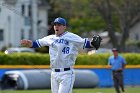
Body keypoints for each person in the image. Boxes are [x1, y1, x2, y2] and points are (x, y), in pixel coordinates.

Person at [20, 17, 102, 93]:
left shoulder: (71, 37)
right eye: (55, 25)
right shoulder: (49, 38)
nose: (56, 26)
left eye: (59, 25)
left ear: (64, 27)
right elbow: (35, 44)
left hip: (66, 73)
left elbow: (87, 44)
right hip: (54, 73)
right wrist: (28, 43)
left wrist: (93, 43)